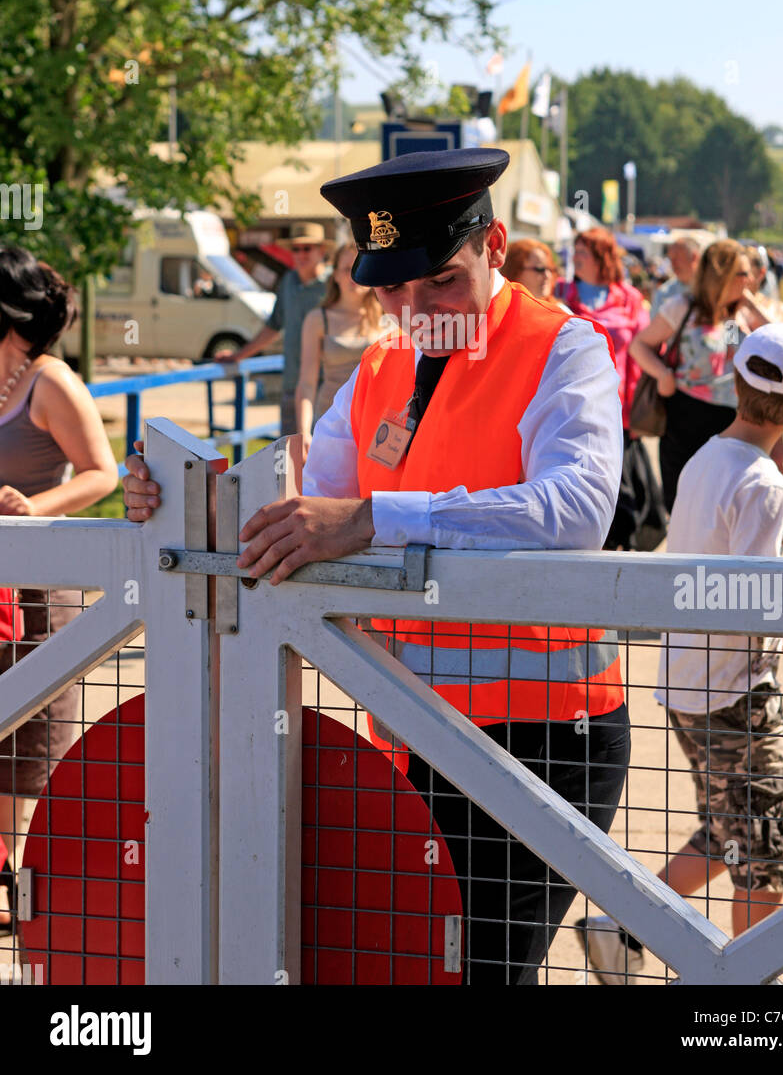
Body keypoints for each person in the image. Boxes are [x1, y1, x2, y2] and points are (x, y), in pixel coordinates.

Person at [123, 148, 629, 986]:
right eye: (392, 289)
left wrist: (375, 519)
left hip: (544, 733)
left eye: (441, 281)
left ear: (495, 245)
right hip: (408, 733)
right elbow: (302, 510)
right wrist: (173, 500)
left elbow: (574, 512)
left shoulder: (563, 349)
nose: (415, 308)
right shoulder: (378, 369)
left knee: (486, 973)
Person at [578, 323, 783, 981]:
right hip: (734, 693)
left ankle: (623, 926)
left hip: (688, 682)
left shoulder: (705, 457)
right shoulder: (766, 483)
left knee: (727, 830)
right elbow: (754, 597)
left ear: (734, 384)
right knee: (765, 853)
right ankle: (746, 990)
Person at [0, 248, 118, 930]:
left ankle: (23, 897)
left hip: (37, 594)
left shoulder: (50, 382)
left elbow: (99, 472)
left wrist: (34, 507)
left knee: (22, 756)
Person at [628, 240, 777, 511]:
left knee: (722, 508)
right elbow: (639, 345)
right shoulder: (683, 307)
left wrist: (752, 306)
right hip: (685, 418)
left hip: (730, 420)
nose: (751, 279)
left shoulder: (734, 314)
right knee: (685, 506)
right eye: (743, 273)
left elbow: (776, 344)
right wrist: (662, 374)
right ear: (722, 275)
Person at [564, 229, 659, 550]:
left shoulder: (629, 297)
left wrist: (634, 409)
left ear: (603, 257)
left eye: (583, 253)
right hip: (573, 405)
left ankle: (623, 553)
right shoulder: (562, 293)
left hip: (619, 409)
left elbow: (641, 353)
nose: (575, 258)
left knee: (624, 494)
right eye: (574, 252)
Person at [216, 221, 329, 434]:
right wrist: (239, 355)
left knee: (325, 460)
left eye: (307, 248)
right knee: (288, 458)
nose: (301, 254)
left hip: (328, 386)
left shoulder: (334, 284)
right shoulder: (288, 281)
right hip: (293, 384)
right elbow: (273, 326)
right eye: (296, 249)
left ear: (321, 250)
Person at [295, 242, 383, 456]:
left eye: (361, 266)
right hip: (331, 423)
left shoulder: (390, 318)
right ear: (334, 275)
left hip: (377, 424)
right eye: (346, 269)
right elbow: (307, 382)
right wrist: (304, 432)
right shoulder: (317, 319)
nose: (354, 275)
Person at [501, 237, 570, 311]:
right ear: (515, 271)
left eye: (551, 269)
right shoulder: (496, 310)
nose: (548, 276)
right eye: (539, 269)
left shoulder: (561, 313)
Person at [650, 236, 701, 318]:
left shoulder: (712, 290)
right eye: (671, 259)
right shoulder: (663, 293)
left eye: (677, 258)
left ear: (694, 257)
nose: (673, 264)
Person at [745, 246, 783, 322]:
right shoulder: (729, 310)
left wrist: (751, 303)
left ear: (761, 273)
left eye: (745, 273)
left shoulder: (779, 309)